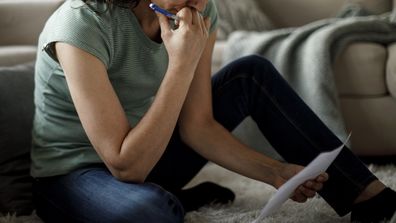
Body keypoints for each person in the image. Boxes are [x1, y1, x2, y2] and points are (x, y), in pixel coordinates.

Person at [31, 0, 396, 222]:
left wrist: (276, 172)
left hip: (150, 152)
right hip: (75, 173)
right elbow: (125, 164)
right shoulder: (81, 23)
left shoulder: (201, 9)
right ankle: (171, 196)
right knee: (149, 214)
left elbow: (197, 126)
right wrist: (180, 64)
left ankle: (367, 193)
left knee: (250, 73)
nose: (197, 5)